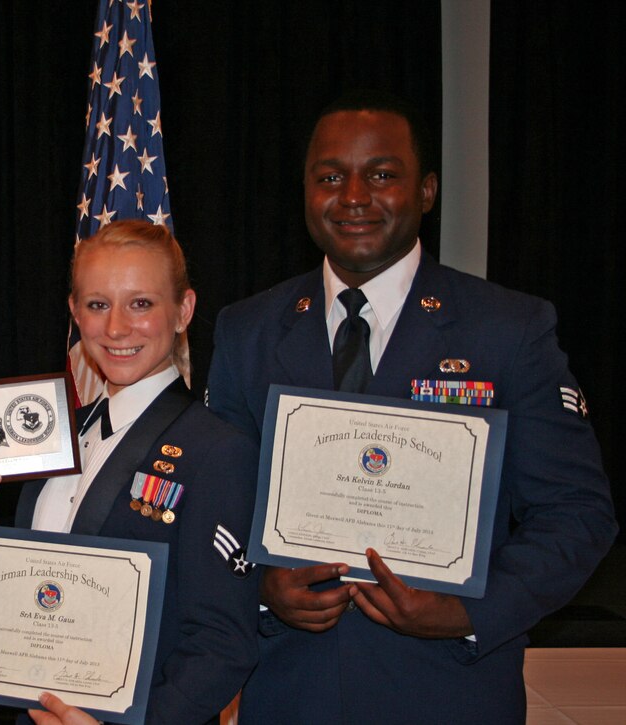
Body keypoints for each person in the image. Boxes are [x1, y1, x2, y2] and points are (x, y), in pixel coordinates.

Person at [206, 90, 618, 723]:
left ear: (426, 191)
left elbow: (577, 514)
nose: (353, 196)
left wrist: (466, 613)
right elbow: (215, 509)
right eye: (329, 177)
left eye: (381, 175)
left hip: (448, 690)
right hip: (291, 689)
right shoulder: (247, 331)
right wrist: (259, 588)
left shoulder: (508, 330)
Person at [0, 220, 261, 724]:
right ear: (74, 313)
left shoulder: (218, 451)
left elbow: (223, 646)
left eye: (141, 303)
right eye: (97, 304)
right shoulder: (50, 440)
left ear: (184, 311)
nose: (115, 329)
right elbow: (34, 599)